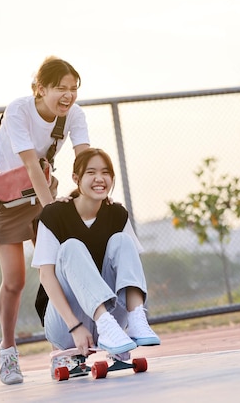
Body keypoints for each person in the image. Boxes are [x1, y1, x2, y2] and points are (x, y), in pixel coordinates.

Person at [0, 56, 90, 385]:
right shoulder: (19, 110)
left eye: (74, 89)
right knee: (15, 280)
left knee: (59, 270)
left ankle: (68, 350)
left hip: (43, 190)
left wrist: (92, 192)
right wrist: (54, 212)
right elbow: (29, 163)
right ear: (40, 89)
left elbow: (84, 157)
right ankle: (8, 352)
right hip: (7, 197)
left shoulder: (74, 114)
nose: (69, 95)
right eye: (61, 88)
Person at [30, 148, 160, 378]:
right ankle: (105, 325)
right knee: (71, 247)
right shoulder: (54, 214)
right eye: (91, 172)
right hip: (66, 323)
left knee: (123, 241)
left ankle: (137, 318)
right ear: (76, 179)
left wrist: (129, 320)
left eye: (106, 172)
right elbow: (46, 276)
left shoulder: (117, 214)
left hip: (113, 320)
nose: (100, 178)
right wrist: (74, 327)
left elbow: (129, 268)